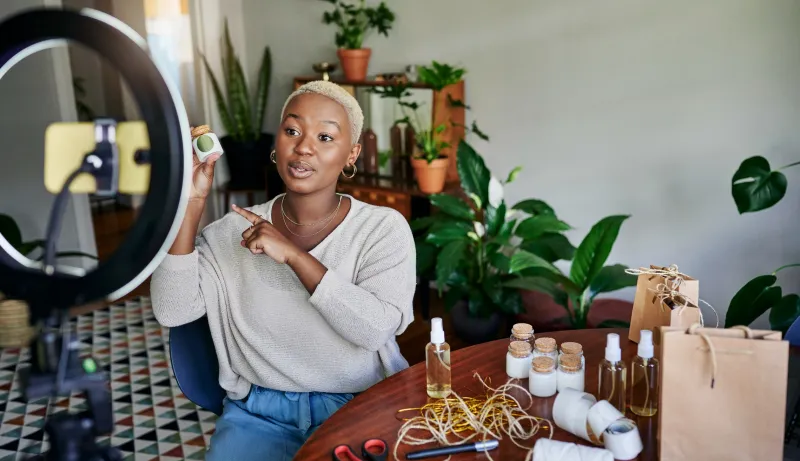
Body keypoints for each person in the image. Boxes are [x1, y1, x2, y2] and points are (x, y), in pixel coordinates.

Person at [150, 81, 417, 461]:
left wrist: (295, 255)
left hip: (358, 407)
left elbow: (375, 329)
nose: (304, 146)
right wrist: (190, 203)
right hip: (258, 415)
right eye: (292, 130)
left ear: (351, 153)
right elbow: (172, 310)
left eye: (325, 136)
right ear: (277, 143)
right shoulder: (231, 231)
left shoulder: (381, 228)